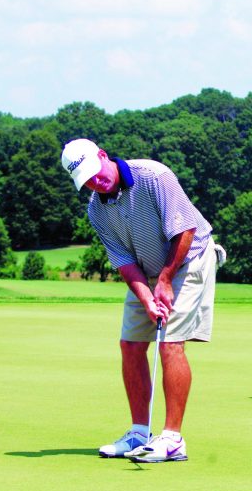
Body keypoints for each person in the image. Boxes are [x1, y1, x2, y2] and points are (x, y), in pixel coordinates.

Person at [60, 138, 225, 463]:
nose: (96, 182)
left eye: (96, 172)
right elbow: (123, 261)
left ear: (103, 156)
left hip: (189, 257)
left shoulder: (154, 175)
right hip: (146, 268)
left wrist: (164, 280)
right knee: (131, 344)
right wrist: (147, 297)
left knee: (170, 342)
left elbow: (185, 231)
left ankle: (173, 439)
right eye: (87, 181)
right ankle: (139, 432)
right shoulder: (96, 209)